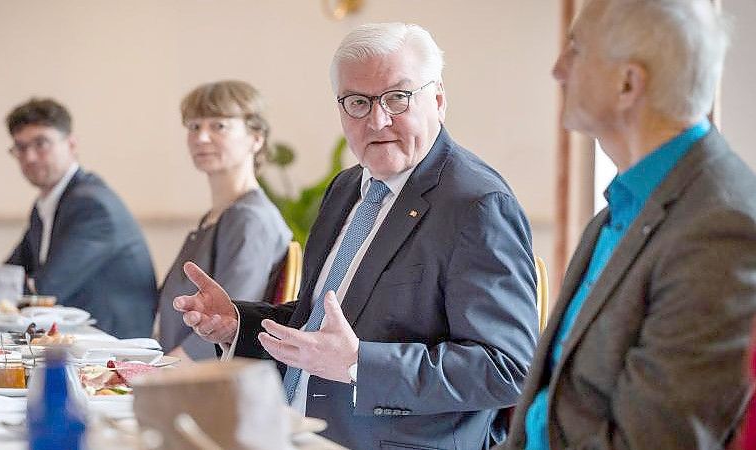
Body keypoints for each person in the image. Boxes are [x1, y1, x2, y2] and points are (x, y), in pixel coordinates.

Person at [175, 22, 539, 449]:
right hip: (299, 432)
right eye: (357, 102)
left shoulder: (476, 203)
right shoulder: (348, 187)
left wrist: (359, 364)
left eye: (398, 97)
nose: (377, 119)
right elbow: (318, 323)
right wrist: (237, 325)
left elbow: (508, 368)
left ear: (438, 99)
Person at [499, 1, 756, 449]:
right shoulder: (626, 202)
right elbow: (554, 401)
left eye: (576, 49)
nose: (559, 70)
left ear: (627, 84)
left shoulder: (719, 228)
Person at [156, 80, 291, 362]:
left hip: (211, 386)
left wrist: (158, 373)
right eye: (194, 126)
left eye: (218, 126)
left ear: (256, 138)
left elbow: (225, 323)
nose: (201, 137)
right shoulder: (217, 216)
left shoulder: (250, 219)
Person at [6, 98, 158, 339]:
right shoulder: (44, 206)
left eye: (41, 144)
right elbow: (10, 273)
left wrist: (2, 289)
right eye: (21, 148)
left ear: (71, 144)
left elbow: (46, 290)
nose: (30, 157)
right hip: (72, 342)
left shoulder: (92, 205)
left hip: (113, 348)